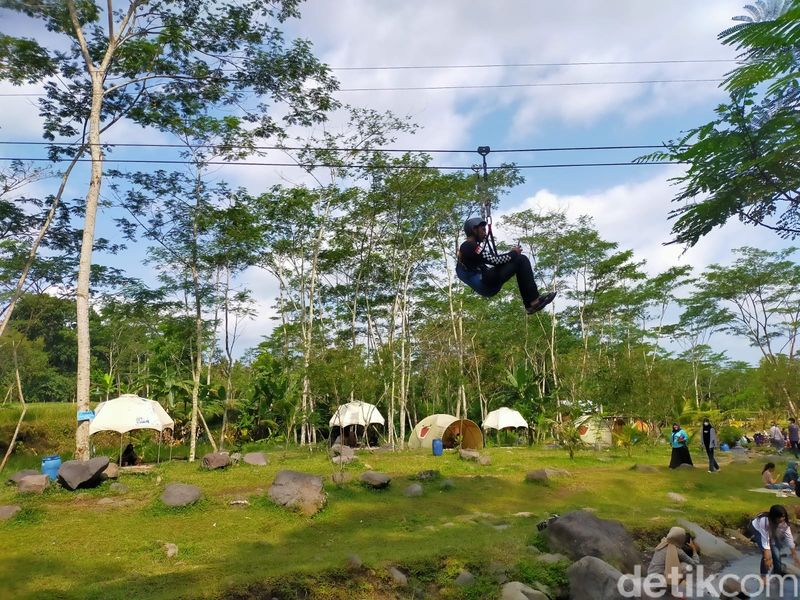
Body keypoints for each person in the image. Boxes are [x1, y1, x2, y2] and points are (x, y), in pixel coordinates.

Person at [456, 217, 556, 315]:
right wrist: (514, 253)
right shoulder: (469, 246)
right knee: (520, 259)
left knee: (520, 260)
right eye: (483, 230)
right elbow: (495, 260)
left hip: (487, 283)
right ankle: (532, 302)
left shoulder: (471, 249)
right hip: (486, 283)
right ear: (474, 229)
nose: (485, 233)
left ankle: (531, 305)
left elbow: (493, 260)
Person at [747, 505, 800, 582]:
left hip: (771, 531)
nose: (782, 519)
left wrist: (794, 555)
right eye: (779, 517)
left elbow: (789, 539)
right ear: (773, 517)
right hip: (757, 529)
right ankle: (763, 577)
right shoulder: (764, 521)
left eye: (783, 516)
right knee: (766, 553)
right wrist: (767, 558)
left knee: (776, 553)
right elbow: (765, 540)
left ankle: (777, 577)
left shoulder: (784, 523)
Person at [646, 526, 700, 595]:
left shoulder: (663, 543)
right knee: (686, 566)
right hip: (661, 584)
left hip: (651, 580)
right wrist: (694, 549)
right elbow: (695, 564)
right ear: (681, 539)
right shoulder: (678, 551)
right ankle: (672, 589)